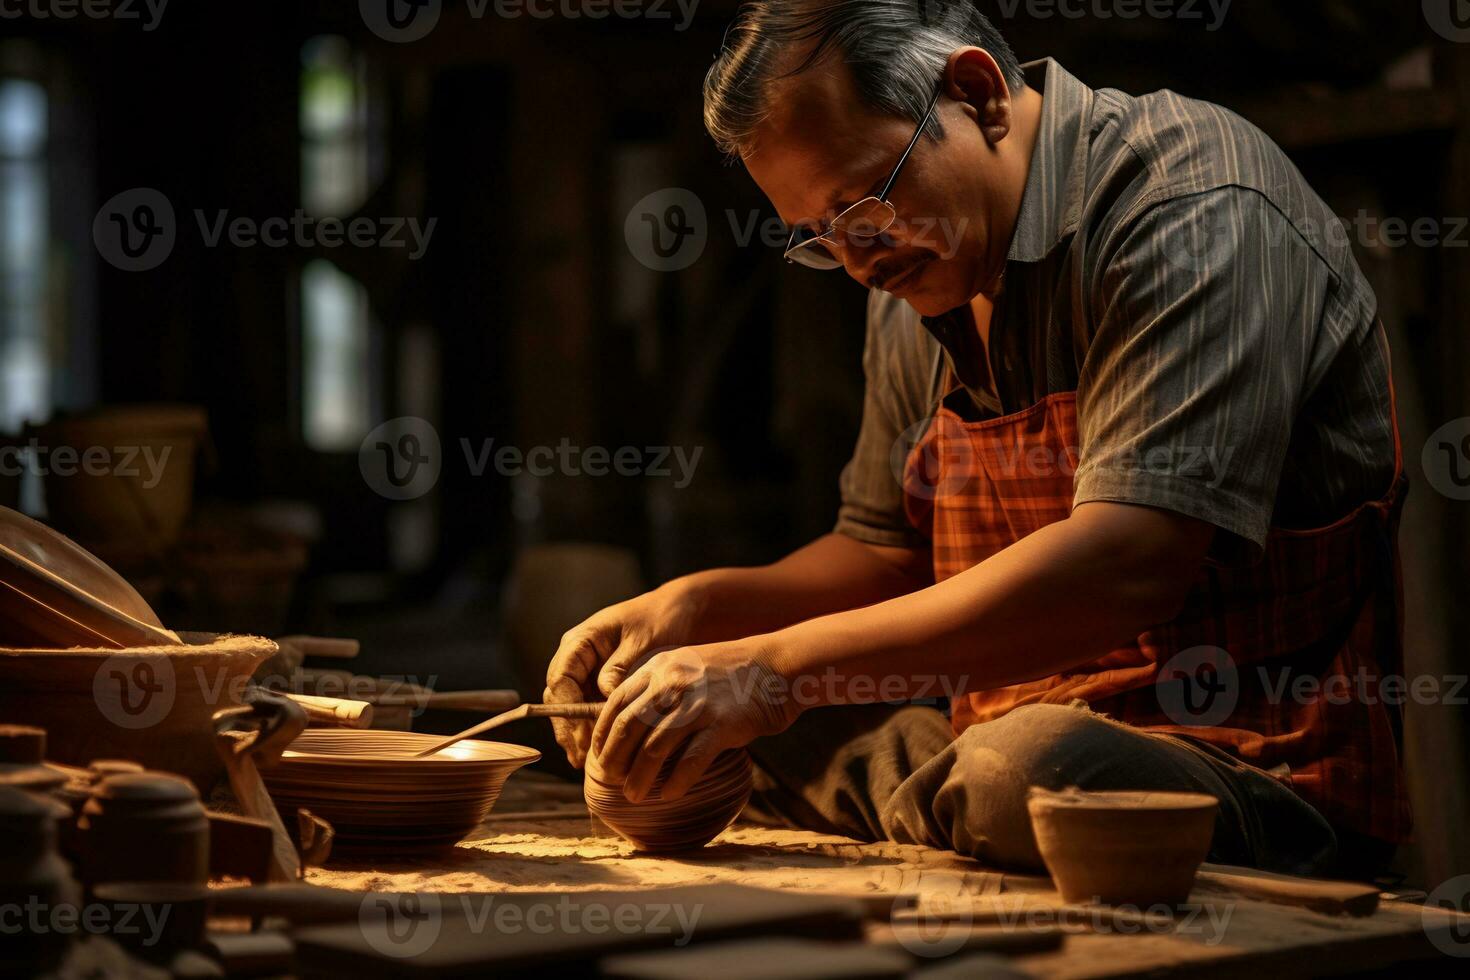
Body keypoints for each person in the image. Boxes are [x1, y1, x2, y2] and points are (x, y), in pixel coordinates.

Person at [546, 0, 1408, 879]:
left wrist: (775, 673)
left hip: (1238, 758)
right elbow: (882, 555)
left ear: (978, 93)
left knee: (1026, 773)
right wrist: (698, 610)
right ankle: (937, 805)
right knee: (666, 729)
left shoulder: (1185, 205)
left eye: (866, 202)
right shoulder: (911, 273)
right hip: (995, 723)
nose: (857, 260)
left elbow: (1132, 562)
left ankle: (943, 804)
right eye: (820, 235)